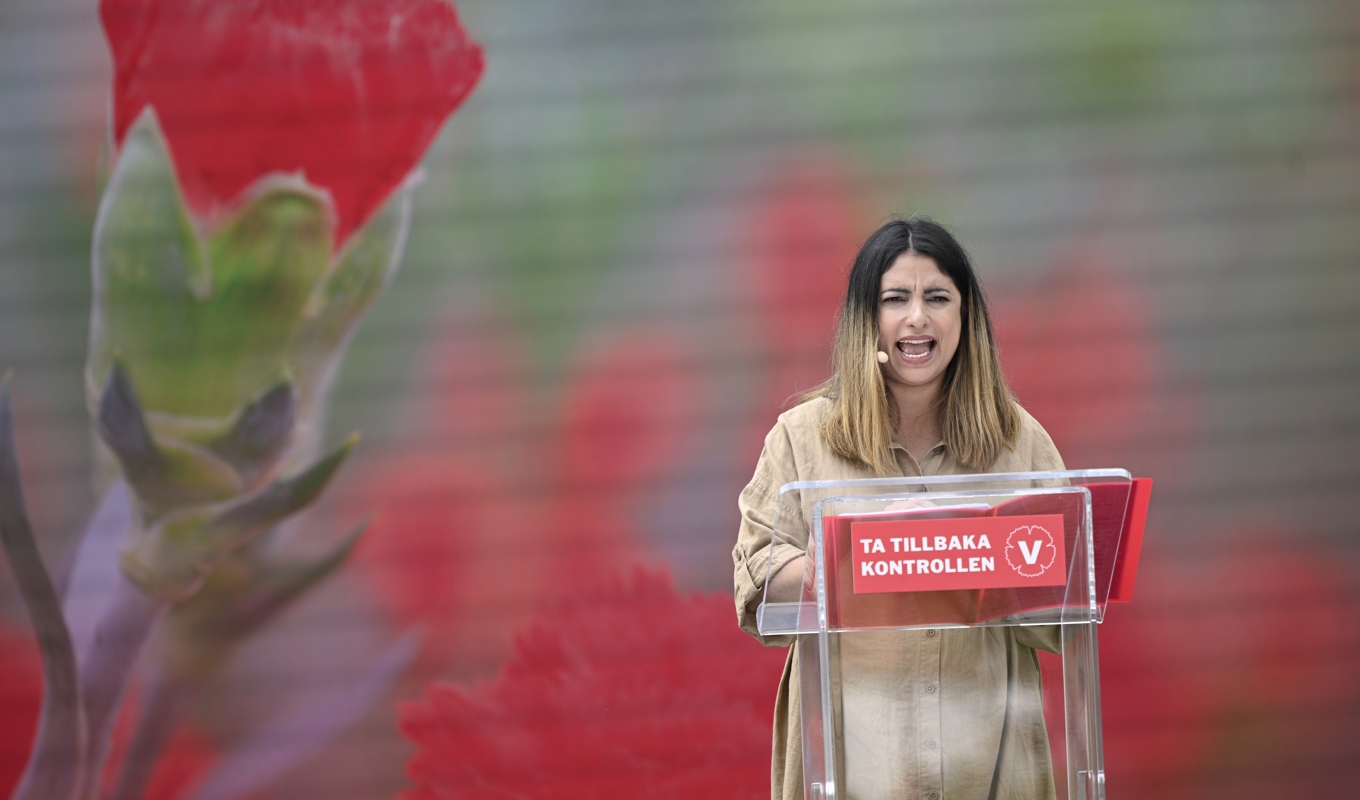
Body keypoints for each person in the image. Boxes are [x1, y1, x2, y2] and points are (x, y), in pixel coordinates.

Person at [733, 217, 1066, 800]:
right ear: (869, 320)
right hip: (849, 772)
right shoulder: (801, 439)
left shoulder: (1020, 442)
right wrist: (863, 559)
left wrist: (989, 566)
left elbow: (1064, 604)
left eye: (938, 297)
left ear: (966, 319)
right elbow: (755, 584)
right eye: (896, 299)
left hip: (989, 771)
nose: (917, 318)